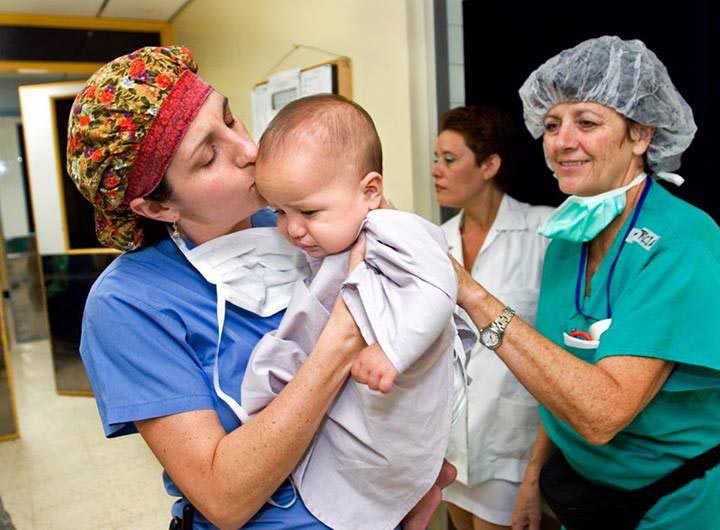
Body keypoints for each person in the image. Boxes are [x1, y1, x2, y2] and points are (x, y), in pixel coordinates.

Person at [67, 46, 453, 529]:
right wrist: (342, 339)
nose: (248, 150)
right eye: (209, 157)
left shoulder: (309, 219)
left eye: (230, 119)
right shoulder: (129, 304)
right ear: (157, 208)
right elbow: (224, 500)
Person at [449, 36, 720, 530]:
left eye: (587, 122)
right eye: (552, 124)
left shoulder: (681, 242)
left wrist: (472, 295)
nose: (561, 140)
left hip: (672, 502)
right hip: (583, 494)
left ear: (640, 136)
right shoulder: (567, 239)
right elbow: (561, 373)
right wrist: (533, 475)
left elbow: (602, 412)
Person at [241, 93, 464, 530]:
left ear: (370, 191)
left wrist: (393, 352)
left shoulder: (395, 230)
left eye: (307, 211)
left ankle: (414, 494)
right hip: (359, 382)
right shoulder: (333, 239)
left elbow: (437, 287)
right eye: (279, 212)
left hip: (398, 375)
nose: (292, 229)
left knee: (385, 450)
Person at [431, 106, 555, 530]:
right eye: (436, 159)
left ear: (489, 165)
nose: (436, 171)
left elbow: (559, 354)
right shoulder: (436, 242)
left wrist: (537, 474)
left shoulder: (544, 232)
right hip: (453, 449)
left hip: (513, 449)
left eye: (450, 159)